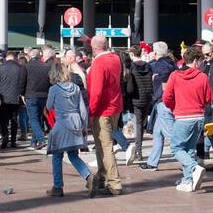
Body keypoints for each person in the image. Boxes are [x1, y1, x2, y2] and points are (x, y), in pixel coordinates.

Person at [164, 44, 212, 192]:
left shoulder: (175, 75)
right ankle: (187, 181)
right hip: (198, 116)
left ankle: (194, 168)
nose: (202, 64)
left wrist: (174, 107)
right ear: (196, 61)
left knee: (176, 148)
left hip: (183, 116)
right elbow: (209, 98)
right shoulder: (203, 77)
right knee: (189, 149)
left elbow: (166, 97)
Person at [46, 58, 93, 197]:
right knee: (73, 155)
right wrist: (84, 126)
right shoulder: (76, 87)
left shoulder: (54, 89)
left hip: (62, 123)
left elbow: (49, 106)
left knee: (57, 155)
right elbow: (83, 110)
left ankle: (58, 186)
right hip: (76, 122)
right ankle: (88, 176)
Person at [86, 35, 125, 196]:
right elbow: (99, 47)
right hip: (115, 106)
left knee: (105, 146)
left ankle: (114, 183)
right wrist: (90, 40)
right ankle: (102, 177)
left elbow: (96, 91)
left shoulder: (98, 63)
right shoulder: (115, 58)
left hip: (102, 109)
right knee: (104, 145)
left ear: (94, 48)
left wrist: (91, 112)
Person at [141, 42, 177, 171]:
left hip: (163, 102)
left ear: (155, 53)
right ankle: (152, 162)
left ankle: (189, 160)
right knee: (158, 133)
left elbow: (164, 85)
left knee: (171, 135)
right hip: (162, 102)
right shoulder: (171, 63)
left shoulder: (159, 65)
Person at [0, 50, 27, 149]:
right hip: (15, 98)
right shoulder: (20, 68)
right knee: (14, 120)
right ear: (15, 58)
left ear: (6, 58)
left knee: (3, 120)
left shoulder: (0, 68)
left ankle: (4, 139)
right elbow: (22, 83)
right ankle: (12, 141)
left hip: (2, 98)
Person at [124, 47, 153, 164]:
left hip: (136, 98)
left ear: (132, 54)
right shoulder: (148, 65)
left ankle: (138, 152)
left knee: (138, 125)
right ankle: (138, 150)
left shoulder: (132, 67)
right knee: (141, 124)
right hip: (146, 97)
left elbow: (130, 87)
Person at [24, 46, 53, 150]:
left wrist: (22, 94)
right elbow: (50, 82)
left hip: (30, 95)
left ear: (30, 56)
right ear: (40, 55)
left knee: (33, 119)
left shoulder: (26, 66)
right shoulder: (46, 66)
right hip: (44, 96)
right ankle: (34, 141)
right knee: (38, 119)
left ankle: (41, 139)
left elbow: (22, 81)